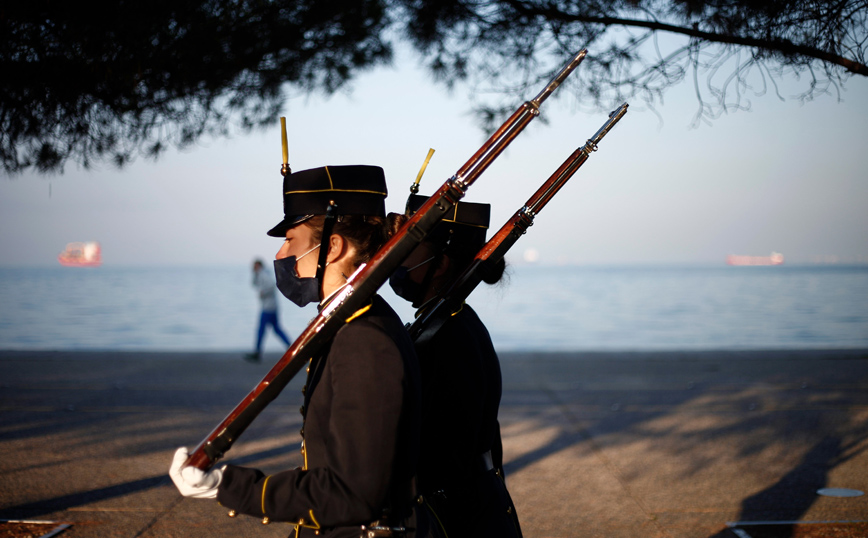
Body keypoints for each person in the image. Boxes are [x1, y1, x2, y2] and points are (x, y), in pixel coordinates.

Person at [170, 165, 432, 538]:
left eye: (291, 239)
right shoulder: (350, 324)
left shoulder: (364, 339)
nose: (280, 252)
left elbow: (351, 494)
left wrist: (227, 485)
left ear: (334, 247)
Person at [389, 194, 523, 538]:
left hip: (458, 519)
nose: (400, 257)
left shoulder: (450, 335)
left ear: (442, 263)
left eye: (412, 247)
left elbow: (446, 456)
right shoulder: (443, 322)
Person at [245, 258, 292, 362]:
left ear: (258, 265)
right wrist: (254, 274)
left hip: (268, 307)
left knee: (261, 330)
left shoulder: (263, 274)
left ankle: (257, 352)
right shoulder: (261, 274)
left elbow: (271, 285)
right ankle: (290, 347)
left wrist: (263, 293)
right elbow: (254, 284)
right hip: (271, 306)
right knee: (276, 329)